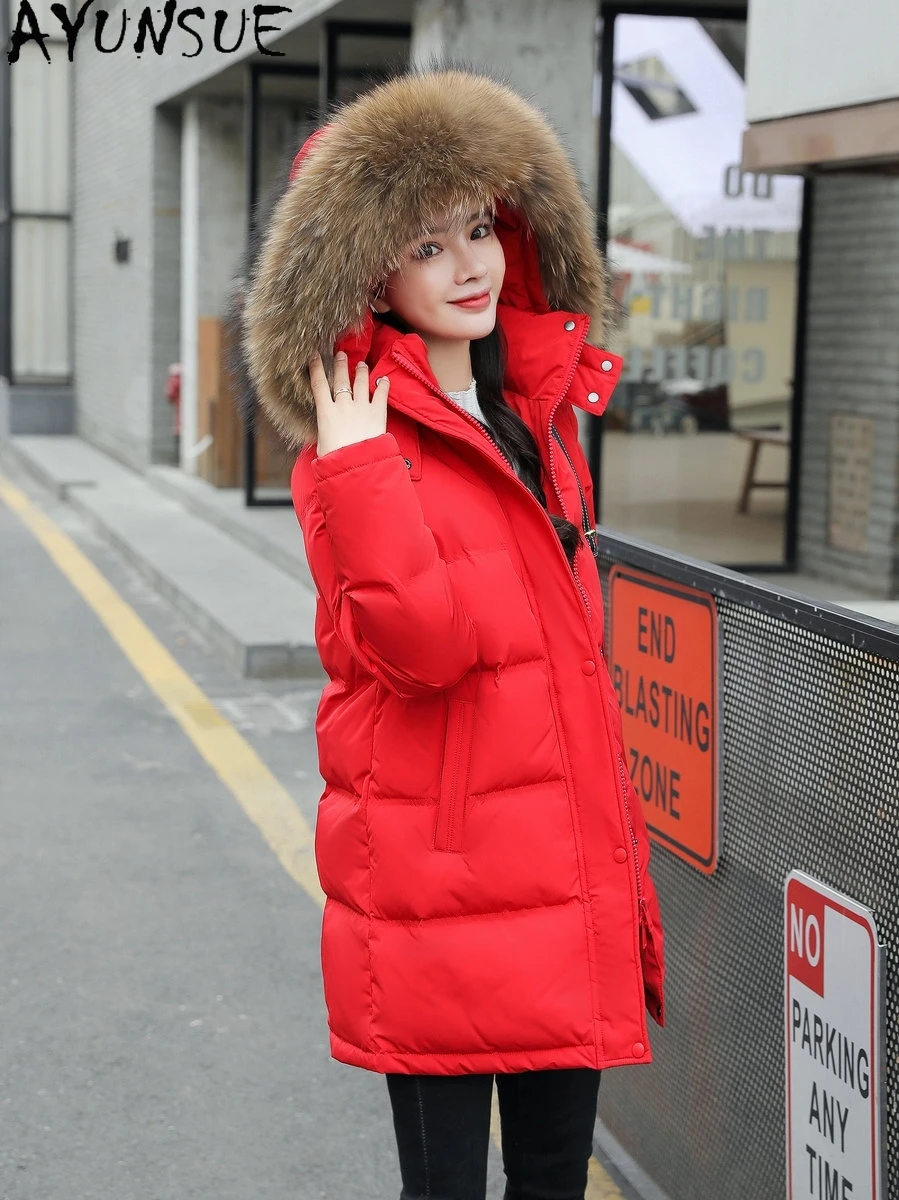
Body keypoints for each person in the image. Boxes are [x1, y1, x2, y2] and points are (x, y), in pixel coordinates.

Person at [242, 66, 666, 1200]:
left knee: (551, 1181)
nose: (470, 264)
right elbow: (418, 649)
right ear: (367, 269)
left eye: (478, 228)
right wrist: (359, 468)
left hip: (558, 876)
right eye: (426, 244)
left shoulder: (533, 413)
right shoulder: (350, 440)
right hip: (436, 894)